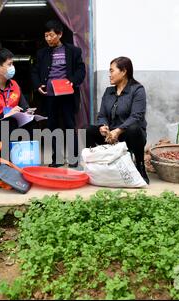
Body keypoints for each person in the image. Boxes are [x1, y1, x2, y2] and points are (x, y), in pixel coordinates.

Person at [85, 56, 149, 184]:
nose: (109, 75)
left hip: (129, 135)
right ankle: (95, 167)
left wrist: (118, 131)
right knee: (88, 130)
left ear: (124, 71)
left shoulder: (137, 90)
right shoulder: (108, 91)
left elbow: (136, 116)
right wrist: (104, 127)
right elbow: (102, 114)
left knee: (134, 128)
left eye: (112, 71)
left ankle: (140, 167)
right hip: (110, 135)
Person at [31, 20, 86, 167]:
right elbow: (35, 71)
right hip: (49, 95)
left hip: (67, 94)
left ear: (60, 34)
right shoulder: (41, 53)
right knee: (51, 125)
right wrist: (38, 86)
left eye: (51, 35)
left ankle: (74, 158)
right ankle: (57, 158)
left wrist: (72, 81)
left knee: (69, 124)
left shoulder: (73, 51)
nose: (48, 38)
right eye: (46, 35)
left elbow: (81, 70)